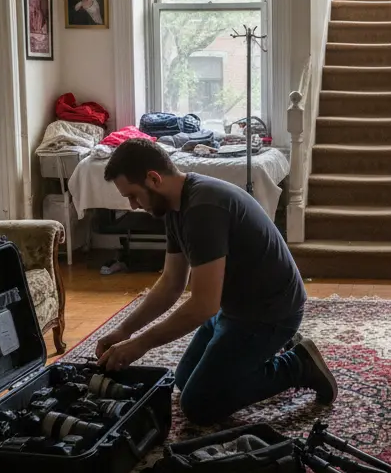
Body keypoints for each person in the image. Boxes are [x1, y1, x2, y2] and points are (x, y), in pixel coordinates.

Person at [94, 139, 337, 425]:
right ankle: (267, 352)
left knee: (199, 404)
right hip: (236, 309)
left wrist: (141, 345)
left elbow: (203, 305)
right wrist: (125, 331)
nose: (133, 205)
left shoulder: (203, 208)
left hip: (271, 313)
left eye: (133, 196)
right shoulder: (175, 206)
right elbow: (171, 283)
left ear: (153, 179)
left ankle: (298, 365)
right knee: (184, 380)